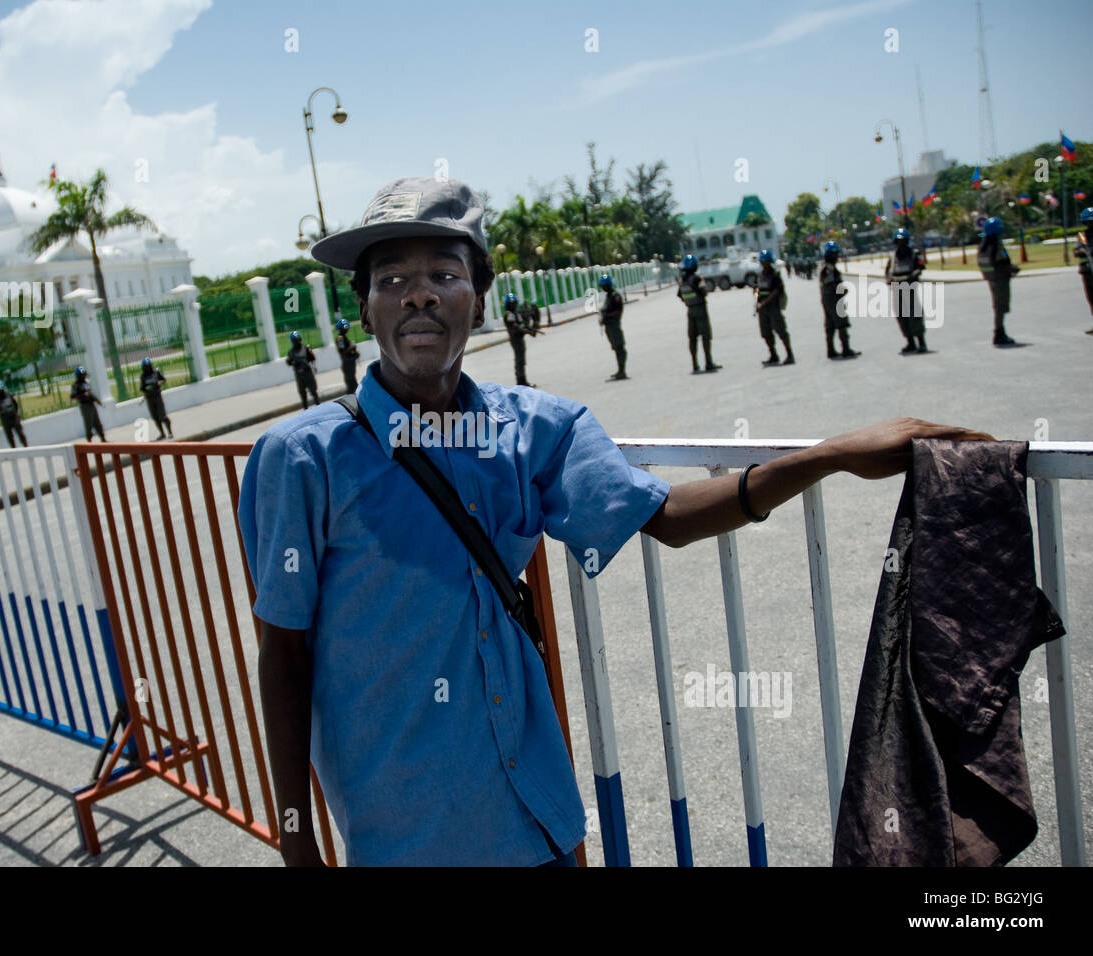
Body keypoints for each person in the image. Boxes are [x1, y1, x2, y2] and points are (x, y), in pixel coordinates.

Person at [236, 174, 993, 868]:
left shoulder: (536, 429)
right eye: (392, 279)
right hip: (405, 829)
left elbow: (664, 515)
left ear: (481, 296)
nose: (419, 295)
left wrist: (831, 454)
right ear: (364, 308)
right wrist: (298, 841)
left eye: (444, 273)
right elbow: (285, 653)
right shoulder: (303, 459)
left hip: (538, 812)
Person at [977, 217, 1020, 346]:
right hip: (1000, 279)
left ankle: (999, 332)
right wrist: (1013, 268)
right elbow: (1002, 261)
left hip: (991, 279)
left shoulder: (983, 246)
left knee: (997, 305)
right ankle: (999, 333)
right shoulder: (997, 245)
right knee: (1001, 307)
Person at [884, 228, 928, 354]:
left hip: (910, 288)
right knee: (902, 316)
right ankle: (910, 342)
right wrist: (889, 279)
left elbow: (921, 267)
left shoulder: (914, 254)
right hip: (897, 289)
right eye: (898, 241)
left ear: (907, 241)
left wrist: (912, 276)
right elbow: (887, 272)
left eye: (903, 241)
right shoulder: (893, 257)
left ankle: (921, 343)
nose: (901, 244)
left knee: (915, 315)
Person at [677, 254, 720, 373]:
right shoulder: (698, 278)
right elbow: (704, 292)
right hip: (700, 309)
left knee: (692, 338)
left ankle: (695, 364)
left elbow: (680, 295)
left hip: (690, 310)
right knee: (705, 337)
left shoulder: (682, 280)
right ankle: (709, 362)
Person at [819, 241, 859, 359]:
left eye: (836, 253)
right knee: (841, 323)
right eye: (834, 253)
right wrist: (841, 290)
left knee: (830, 325)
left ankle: (831, 350)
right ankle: (846, 349)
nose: (836, 255)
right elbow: (830, 283)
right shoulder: (829, 268)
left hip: (828, 298)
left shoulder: (827, 267)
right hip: (833, 298)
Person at [754, 249, 795, 366]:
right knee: (766, 333)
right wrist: (757, 303)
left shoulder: (775, 275)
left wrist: (765, 302)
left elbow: (776, 291)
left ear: (769, 261)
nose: (763, 263)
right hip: (762, 308)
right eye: (761, 261)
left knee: (781, 331)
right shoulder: (761, 275)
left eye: (765, 261)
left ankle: (789, 354)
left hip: (772, 307)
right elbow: (758, 290)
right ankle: (773, 355)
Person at [502, 292, 538, 387]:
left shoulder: (516, 314)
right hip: (515, 339)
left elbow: (522, 324)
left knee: (522, 360)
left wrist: (531, 329)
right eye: (511, 303)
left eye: (514, 303)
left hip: (520, 339)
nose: (513, 305)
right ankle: (520, 382)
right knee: (519, 360)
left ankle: (523, 380)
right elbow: (515, 326)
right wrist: (528, 332)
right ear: (507, 304)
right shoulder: (509, 314)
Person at [598, 273, 627, 380]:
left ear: (608, 285)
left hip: (614, 325)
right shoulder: (609, 296)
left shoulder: (615, 296)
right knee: (616, 348)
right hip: (609, 326)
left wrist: (606, 316)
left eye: (604, 285)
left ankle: (622, 371)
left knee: (620, 348)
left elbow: (618, 311)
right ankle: (619, 370)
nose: (602, 287)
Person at [139, 357, 173, 439]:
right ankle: (162, 434)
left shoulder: (156, 372)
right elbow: (141, 388)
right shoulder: (143, 376)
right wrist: (147, 389)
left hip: (157, 397)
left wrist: (160, 383)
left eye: (148, 366)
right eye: (145, 366)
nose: (146, 368)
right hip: (149, 399)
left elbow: (163, 380)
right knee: (155, 417)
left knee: (163, 416)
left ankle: (170, 432)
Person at [70, 366, 106, 441]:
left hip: (91, 404)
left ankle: (103, 438)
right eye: (82, 375)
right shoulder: (76, 385)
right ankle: (89, 439)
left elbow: (90, 394)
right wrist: (82, 395)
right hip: (85, 405)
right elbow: (73, 396)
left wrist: (97, 401)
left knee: (97, 421)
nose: (84, 376)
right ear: (78, 376)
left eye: (84, 375)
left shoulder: (86, 383)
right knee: (88, 423)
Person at [287, 330, 320, 409]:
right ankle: (305, 409)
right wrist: (291, 362)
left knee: (313, 391)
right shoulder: (291, 352)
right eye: (294, 340)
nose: (296, 341)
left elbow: (312, 358)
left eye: (297, 339)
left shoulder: (306, 348)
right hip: (299, 374)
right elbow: (289, 362)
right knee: (302, 393)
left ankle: (318, 406)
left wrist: (314, 366)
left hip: (307, 372)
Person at [0, 380, 27, 447]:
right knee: (10, 437)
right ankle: (14, 451)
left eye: (0, 389)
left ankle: (26, 447)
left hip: (14, 418)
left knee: (20, 434)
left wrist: (18, 414)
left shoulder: (9, 396)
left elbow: (16, 405)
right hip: (5, 420)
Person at [1078, 208, 1093, 335]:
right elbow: (1076, 251)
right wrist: (1081, 251)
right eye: (1088, 222)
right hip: (1087, 270)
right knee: (1092, 297)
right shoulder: (1082, 237)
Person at [335, 318, 361, 394]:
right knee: (351, 386)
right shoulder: (340, 338)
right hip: (347, 364)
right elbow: (343, 351)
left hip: (350, 364)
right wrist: (351, 347)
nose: (347, 329)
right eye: (345, 328)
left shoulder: (344, 337)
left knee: (353, 384)